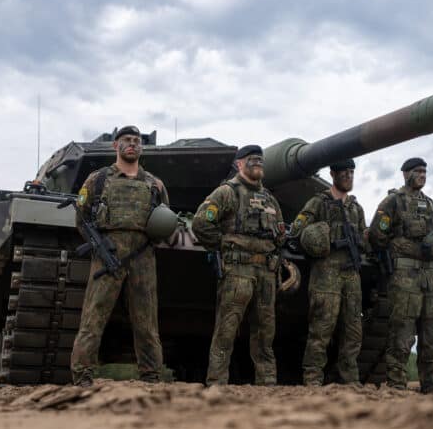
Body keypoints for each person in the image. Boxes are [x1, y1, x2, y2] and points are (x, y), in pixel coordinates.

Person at [69, 126, 170, 387]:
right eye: (126, 140)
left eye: (137, 141)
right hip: (107, 253)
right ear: (116, 146)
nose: (132, 144)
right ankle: (82, 377)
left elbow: (164, 219)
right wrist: (99, 245)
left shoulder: (154, 184)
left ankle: (151, 377)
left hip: (142, 255)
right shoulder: (98, 179)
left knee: (147, 322)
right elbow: (82, 217)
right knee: (93, 317)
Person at [191, 145, 285, 386]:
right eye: (253, 160)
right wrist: (223, 246)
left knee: (266, 334)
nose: (258, 164)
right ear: (239, 164)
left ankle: (267, 384)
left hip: (265, 274)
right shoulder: (227, 192)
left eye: (261, 161)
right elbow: (201, 223)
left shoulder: (270, 199)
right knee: (226, 330)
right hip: (237, 272)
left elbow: (280, 236)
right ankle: (217, 382)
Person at [369, 157, 433, 393]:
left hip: (429, 275)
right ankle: (397, 383)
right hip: (404, 275)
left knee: (430, 333)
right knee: (402, 332)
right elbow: (376, 235)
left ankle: (430, 383)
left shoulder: (430, 205)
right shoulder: (393, 202)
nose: (422, 175)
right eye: (417, 171)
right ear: (405, 174)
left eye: (424, 171)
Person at [291, 159, 367, 386]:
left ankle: (349, 379)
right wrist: (321, 238)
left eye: (352, 172)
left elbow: (364, 238)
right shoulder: (318, 203)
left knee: (353, 331)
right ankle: (313, 378)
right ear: (332, 174)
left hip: (351, 275)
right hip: (326, 273)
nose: (349, 176)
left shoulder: (356, 207)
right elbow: (297, 230)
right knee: (321, 330)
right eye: (344, 172)